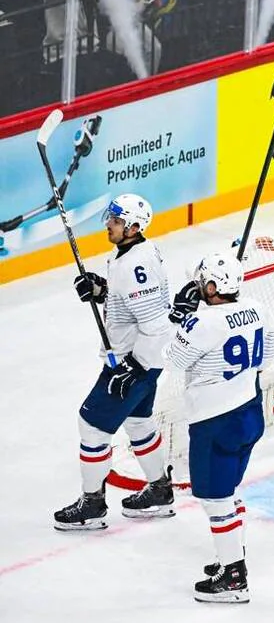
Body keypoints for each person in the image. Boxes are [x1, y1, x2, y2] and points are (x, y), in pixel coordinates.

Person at [53, 193, 175, 531]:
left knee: (91, 425)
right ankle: (160, 490)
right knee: (138, 421)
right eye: (111, 217)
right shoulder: (130, 254)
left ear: (134, 227)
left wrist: (134, 368)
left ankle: (92, 504)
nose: (109, 224)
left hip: (133, 362)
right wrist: (101, 290)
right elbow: (131, 303)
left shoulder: (134, 265)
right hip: (141, 361)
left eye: (117, 221)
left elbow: (155, 324)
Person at [164, 252, 274, 603]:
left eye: (202, 282)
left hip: (216, 421)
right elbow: (268, 355)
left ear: (212, 287)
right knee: (229, 491)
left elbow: (172, 360)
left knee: (216, 499)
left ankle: (233, 578)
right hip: (250, 412)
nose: (198, 286)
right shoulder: (257, 308)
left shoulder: (202, 322)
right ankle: (232, 554)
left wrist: (181, 318)